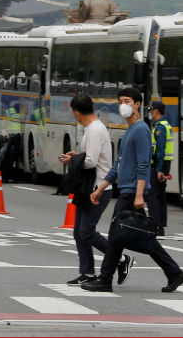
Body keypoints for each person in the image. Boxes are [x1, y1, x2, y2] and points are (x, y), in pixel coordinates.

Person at [82, 87, 183, 293]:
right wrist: (101, 188)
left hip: (132, 192)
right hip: (126, 189)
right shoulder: (130, 130)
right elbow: (118, 165)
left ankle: (105, 279)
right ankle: (174, 272)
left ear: (137, 104)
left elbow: (143, 165)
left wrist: (140, 194)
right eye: (121, 100)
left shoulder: (141, 130)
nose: (123, 104)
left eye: (127, 100)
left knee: (116, 235)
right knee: (138, 236)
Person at [59, 93, 123, 285]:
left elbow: (90, 162)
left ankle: (120, 259)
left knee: (86, 231)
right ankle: (87, 273)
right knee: (78, 232)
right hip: (89, 186)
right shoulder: (93, 128)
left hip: (99, 188)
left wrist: (73, 160)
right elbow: (91, 157)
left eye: (73, 113)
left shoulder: (94, 130)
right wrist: (77, 155)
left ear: (77, 113)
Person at [145, 101, 174, 236]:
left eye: (151, 110)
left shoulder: (160, 128)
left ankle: (155, 225)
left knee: (152, 195)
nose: (150, 112)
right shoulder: (163, 125)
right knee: (160, 195)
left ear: (156, 111)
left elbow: (161, 150)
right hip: (163, 164)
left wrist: (159, 170)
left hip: (159, 164)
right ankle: (160, 225)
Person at [2, 101, 24, 182]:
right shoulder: (18, 116)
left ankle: (6, 176)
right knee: (13, 158)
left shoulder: (8, 113)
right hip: (16, 137)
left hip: (10, 137)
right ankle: (12, 177)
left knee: (7, 158)